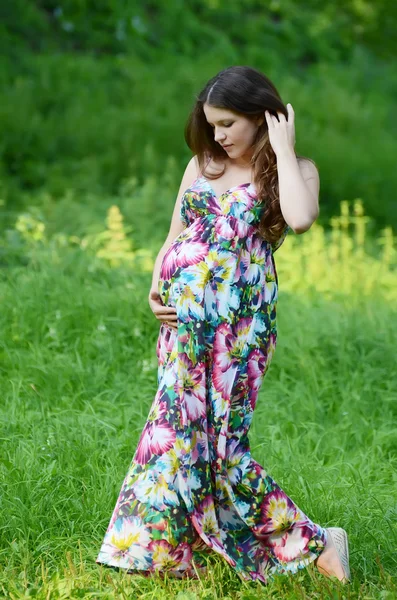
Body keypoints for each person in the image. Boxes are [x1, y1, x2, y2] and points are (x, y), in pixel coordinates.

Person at [96, 65, 351, 585]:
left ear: (264, 118)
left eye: (229, 123)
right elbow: (175, 233)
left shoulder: (296, 171)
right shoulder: (202, 164)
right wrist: (155, 284)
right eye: (212, 124)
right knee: (174, 436)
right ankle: (160, 554)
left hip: (238, 332)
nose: (218, 135)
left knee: (225, 449)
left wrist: (282, 148)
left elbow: (300, 220)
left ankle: (320, 541)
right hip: (184, 325)